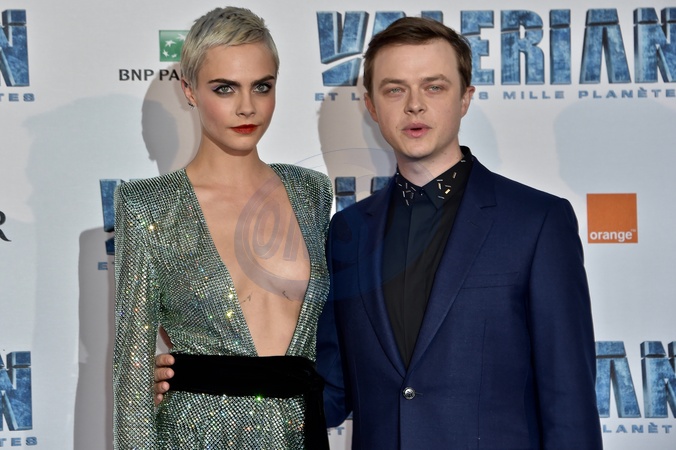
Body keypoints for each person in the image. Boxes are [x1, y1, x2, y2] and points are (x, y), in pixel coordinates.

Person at [156, 16, 603, 449]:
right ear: (371, 106)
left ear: (465, 98)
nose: (414, 105)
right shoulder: (349, 231)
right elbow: (329, 390)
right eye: (395, 89)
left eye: (434, 87)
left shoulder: (537, 222)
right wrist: (200, 383)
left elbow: (569, 402)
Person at [113, 7, 332, 450]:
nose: (247, 106)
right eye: (224, 88)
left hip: (298, 431)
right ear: (189, 90)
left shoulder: (311, 191)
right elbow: (132, 375)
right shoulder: (147, 205)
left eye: (262, 86)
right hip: (196, 434)